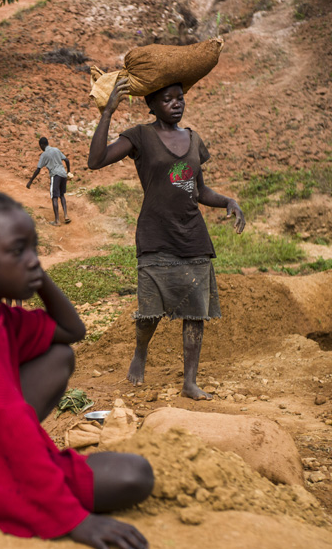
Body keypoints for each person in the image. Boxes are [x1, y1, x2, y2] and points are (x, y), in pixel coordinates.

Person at [0, 188, 154, 549]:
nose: (33, 261)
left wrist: (38, 278)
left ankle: (28, 470)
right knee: (134, 476)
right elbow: (10, 425)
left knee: (58, 356)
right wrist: (74, 521)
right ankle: (25, 481)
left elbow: (72, 332)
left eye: (34, 249)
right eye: (17, 251)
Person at [87, 79, 245, 399]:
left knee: (195, 312)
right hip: (155, 233)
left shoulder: (194, 139)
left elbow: (200, 191)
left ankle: (189, 382)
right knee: (149, 312)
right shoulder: (140, 136)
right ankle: (140, 353)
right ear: (152, 106)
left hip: (192, 236)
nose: (177, 103)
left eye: (180, 98)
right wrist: (108, 113)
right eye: (168, 99)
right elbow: (96, 160)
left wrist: (229, 201)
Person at [26, 137, 73, 226]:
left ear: (42, 145)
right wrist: (68, 172)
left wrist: (30, 181)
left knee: (54, 197)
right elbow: (66, 160)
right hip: (63, 174)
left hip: (55, 175)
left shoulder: (44, 154)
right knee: (62, 195)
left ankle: (57, 221)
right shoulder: (56, 150)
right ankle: (66, 216)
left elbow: (38, 169)